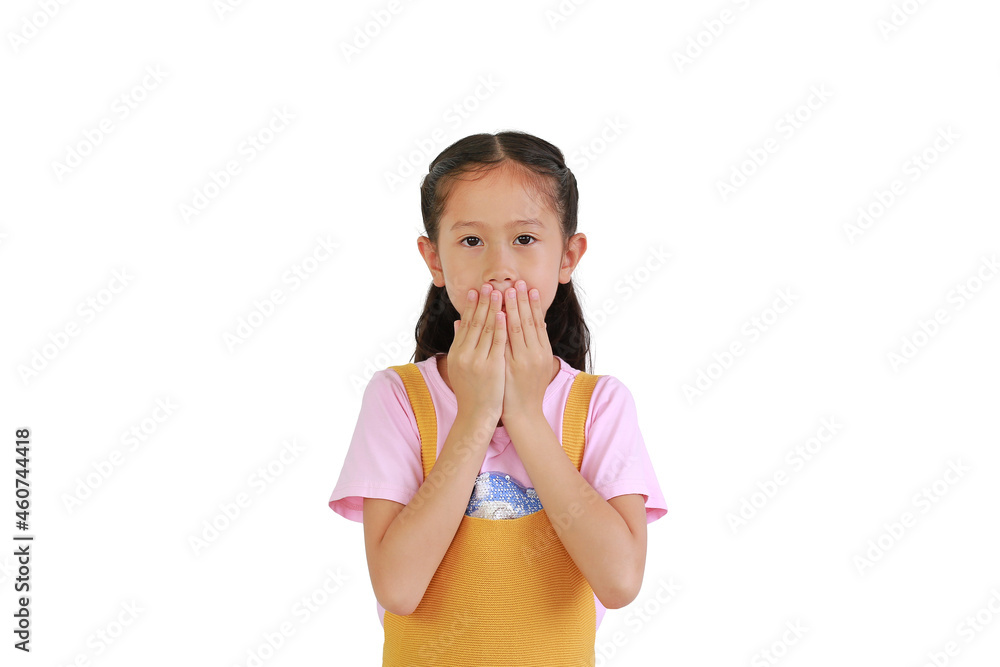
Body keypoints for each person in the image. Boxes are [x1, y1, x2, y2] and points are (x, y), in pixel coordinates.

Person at [328, 130, 667, 665]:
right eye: (470, 241)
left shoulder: (600, 404)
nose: (499, 267)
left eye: (525, 240)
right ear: (434, 259)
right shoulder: (397, 398)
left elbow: (620, 581)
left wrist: (526, 416)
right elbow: (397, 588)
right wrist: (478, 412)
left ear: (568, 255)